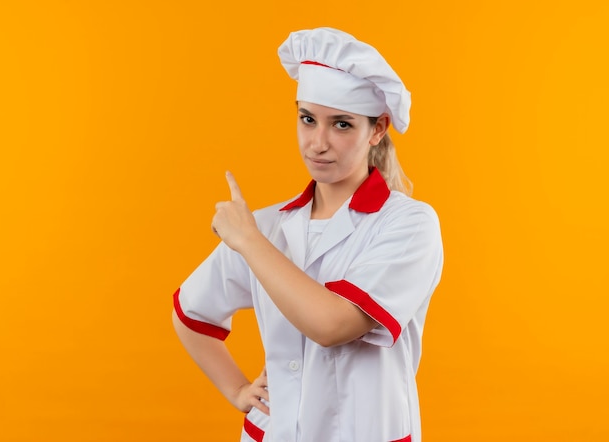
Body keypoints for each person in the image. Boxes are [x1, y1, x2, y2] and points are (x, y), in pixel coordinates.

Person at [172, 27, 443, 442]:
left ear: (378, 129)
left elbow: (332, 324)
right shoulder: (268, 225)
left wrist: (248, 240)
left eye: (341, 124)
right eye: (307, 119)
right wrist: (237, 390)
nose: (318, 143)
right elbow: (191, 312)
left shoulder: (409, 225)